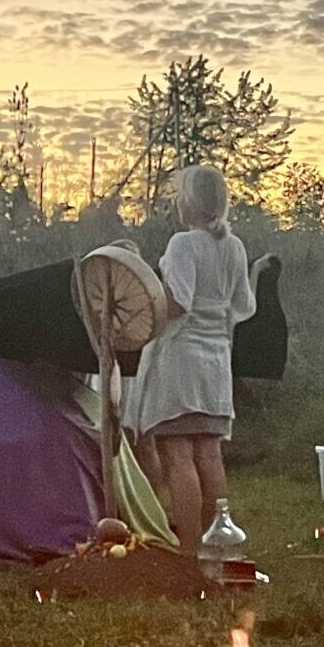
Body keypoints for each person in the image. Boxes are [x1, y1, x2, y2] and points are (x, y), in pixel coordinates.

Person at [126, 165, 256, 547]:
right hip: (217, 362)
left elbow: (178, 303)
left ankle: (188, 552)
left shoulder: (183, 244)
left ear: (193, 203)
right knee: (210, 457)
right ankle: (216, 544)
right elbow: (244, 304)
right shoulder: (234, 245)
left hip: (181, 361)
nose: (177, 203)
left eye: (181, 195)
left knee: (179, 458)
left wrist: (143, 304)